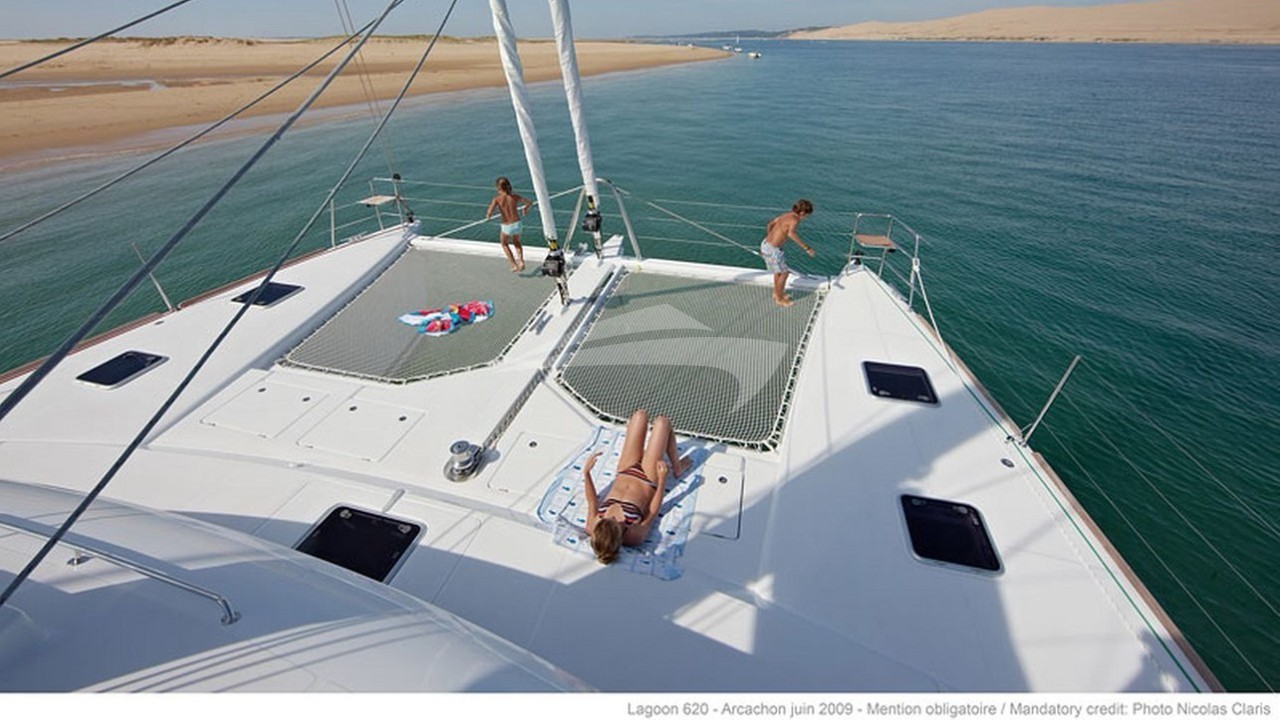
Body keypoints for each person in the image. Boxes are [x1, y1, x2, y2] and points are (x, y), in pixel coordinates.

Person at [582, 409, 693, 564]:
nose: (612, 516)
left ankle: (643, 447)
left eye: (606, 519)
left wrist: (586, 473)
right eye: (614, 521)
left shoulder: (592, 527)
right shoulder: (634, 536)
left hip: (625, 470)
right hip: (648, 478)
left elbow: (592, 501)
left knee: (640, 416)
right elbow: (653, 511)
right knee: (662, 423)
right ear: (619, 536)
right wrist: (662, 479)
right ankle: (678, 467)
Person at [761, 199, 815, 307]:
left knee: (778, 272)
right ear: (802, 213)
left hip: (766, 245)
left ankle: (777, 294)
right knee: (784, 273)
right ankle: (779, 299)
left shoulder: (786, 215)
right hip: (774, 250)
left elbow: (770, 224)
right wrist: (807, 248)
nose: (806, 217)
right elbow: (791, 234)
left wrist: (770, 238)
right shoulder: (795, 220)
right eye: (806, 215)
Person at [484, 176, 533, 272]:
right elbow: (529, 202)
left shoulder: (497, 199)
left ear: (498, 188)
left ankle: (513, 264)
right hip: (517, 224)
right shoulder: (515, 197)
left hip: (506, 225)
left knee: (504, 244)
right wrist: (525, 209)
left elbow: (489, 212)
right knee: (516, 242)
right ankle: (521, 261)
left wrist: (488, 216)